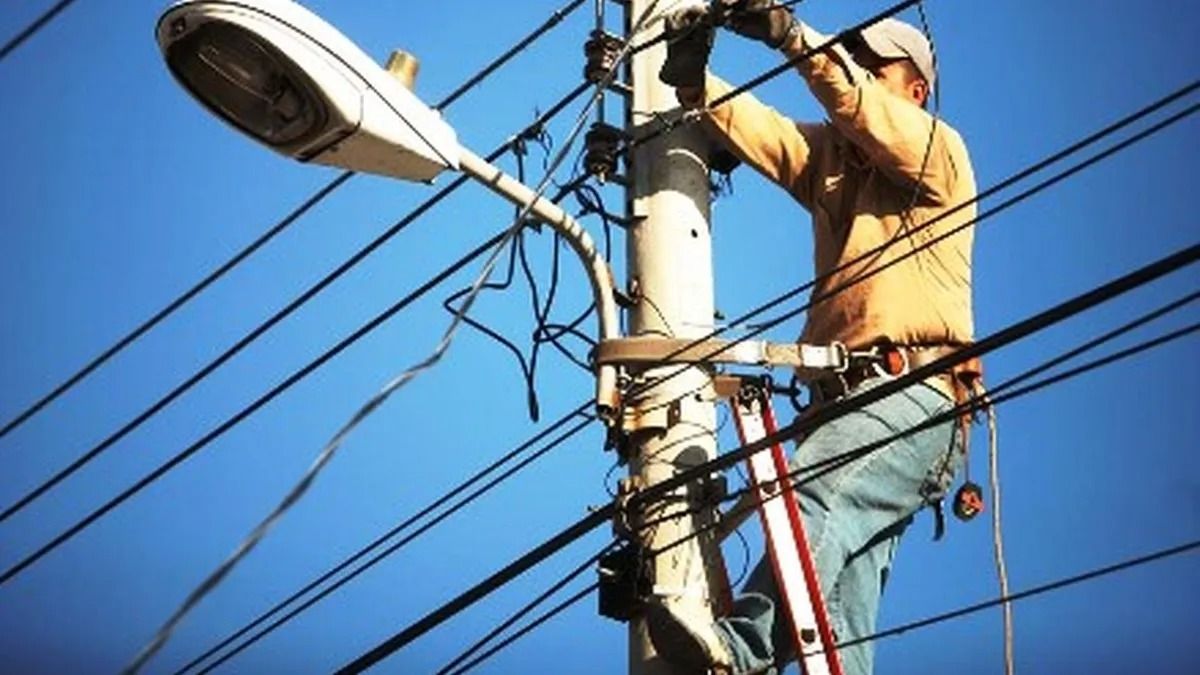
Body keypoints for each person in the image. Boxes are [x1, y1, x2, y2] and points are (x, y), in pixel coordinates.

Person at [646, 1, 979, 674]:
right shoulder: (833, 158)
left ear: (914, 89)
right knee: (840, 611)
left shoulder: (939, 154)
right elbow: (763, 129)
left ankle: (738, 652)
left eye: (870, 66)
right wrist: (692, 78)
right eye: (850, 60)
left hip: (913, 393)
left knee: (814, 494)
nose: (853, 73)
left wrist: (790, 36)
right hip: (847, 400)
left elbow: (855, 103)